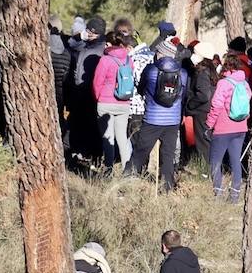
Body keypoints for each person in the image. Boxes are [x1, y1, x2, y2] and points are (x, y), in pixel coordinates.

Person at [129, 44, 186, 191]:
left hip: (152, 119)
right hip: (173, 121)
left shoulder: (151, 70)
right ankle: (166, 187)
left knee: (140, 152)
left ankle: (127, 180)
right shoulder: (183, 73)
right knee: (168, 156)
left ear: (160, 53)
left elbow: (141, 89)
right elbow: (183, 96)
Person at [206, 52, 252, 202]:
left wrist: (209, 124)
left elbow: (216, 105)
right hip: (241, 128)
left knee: (216, 161)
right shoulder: (244, 83)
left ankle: (218, 194)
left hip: (223, 129)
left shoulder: (224, 83)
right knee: (235, 160)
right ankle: (235, 196)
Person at [91, 28, 136, 172]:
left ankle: (108, 170)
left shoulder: (105, 59)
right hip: (124, 102)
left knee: (108, 138)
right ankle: (126, 170)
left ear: (110, 44)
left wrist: (98, 98)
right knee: (122, 138)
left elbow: (97, 82)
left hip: (106, 102)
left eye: (106, 44)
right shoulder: (129, 60)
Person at [68, 16, 107, 161]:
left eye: (92, 32)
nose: (89, 34)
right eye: (88, 30)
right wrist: (80, 36)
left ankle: (92, 154)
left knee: (90, 124)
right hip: (79, 90)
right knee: (77, 122)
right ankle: (77, 151)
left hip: (92, 92)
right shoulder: (85, 44)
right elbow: (70, 43)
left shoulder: (102, 48)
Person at [183, 43, 217, 174]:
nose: (193, 56)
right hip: (206, 110)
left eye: (195, 54)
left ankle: (205, 172)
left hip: (201, 111)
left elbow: (203, 95)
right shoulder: (210, 69)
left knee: (202, 143)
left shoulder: (202, 72)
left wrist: (190, 105)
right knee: (205, 141)